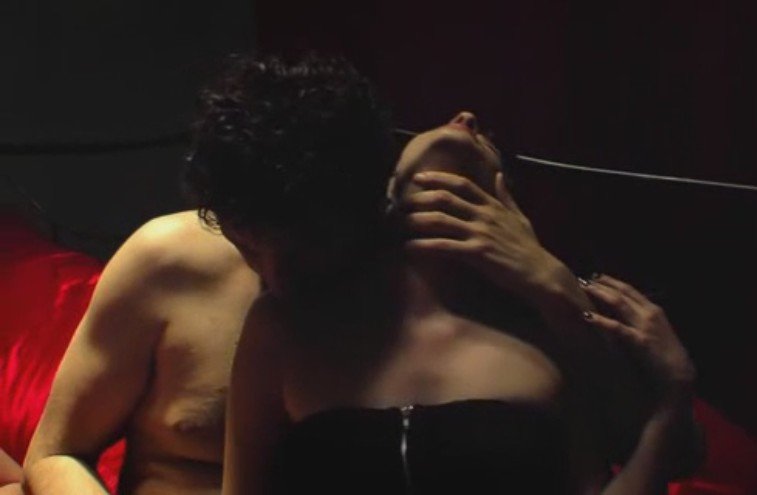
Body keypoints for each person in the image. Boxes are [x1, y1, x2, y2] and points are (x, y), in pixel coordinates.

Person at [23, 53, 692, 495]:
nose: (277, 276)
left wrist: (554, 283)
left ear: (372, 203)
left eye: (305, 247)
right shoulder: (166, 261)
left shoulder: (455, 294)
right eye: (248, 244)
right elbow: (53, 453)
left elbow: (650, 447)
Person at [217, 61, 702, 493]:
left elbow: (671, 453)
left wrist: (556, 285)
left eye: (488, 141)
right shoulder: (288, 323)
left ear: (510, 209)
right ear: (381, 193)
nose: (465, 121)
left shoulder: (552, 326)